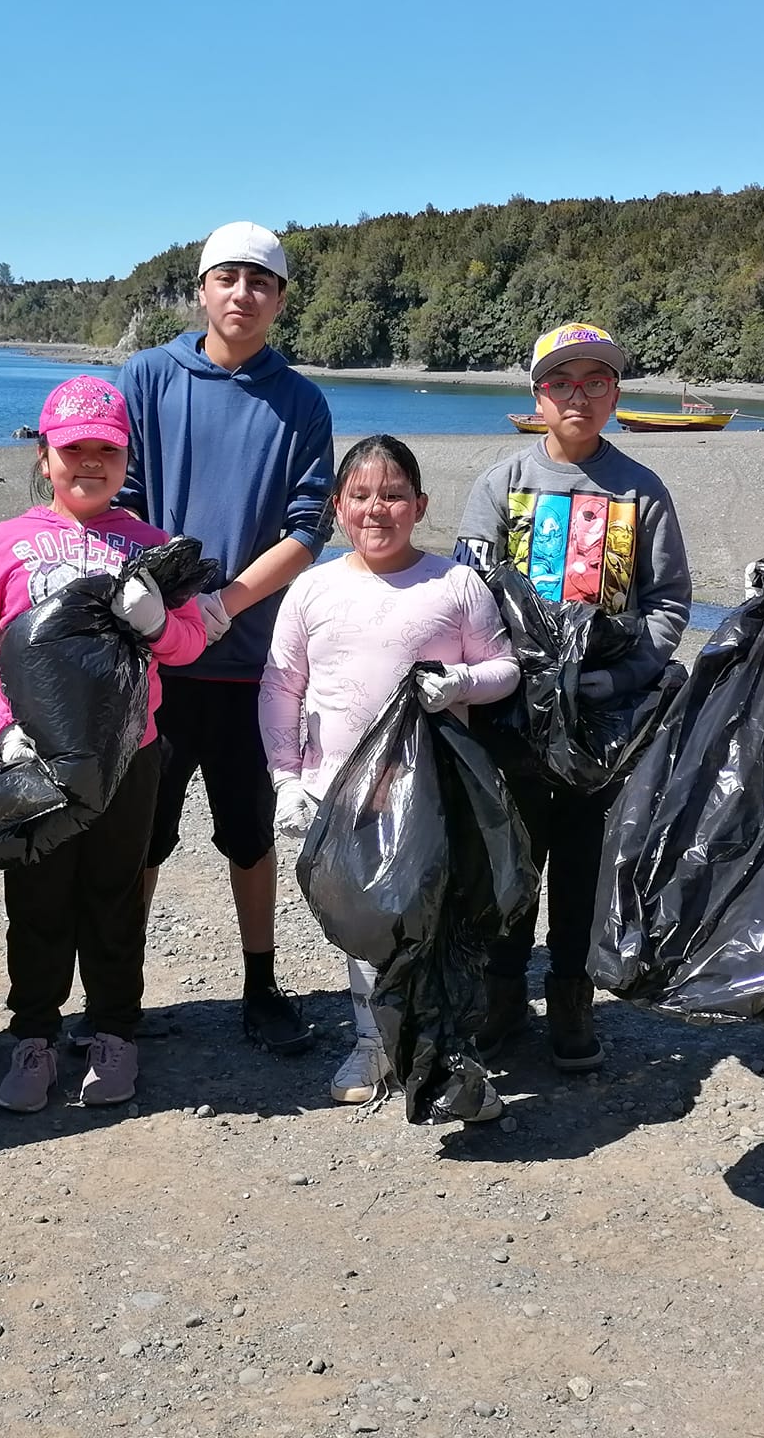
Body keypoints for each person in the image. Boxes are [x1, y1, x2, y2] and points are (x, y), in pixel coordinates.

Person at [0, 376, 207, 1112]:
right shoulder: (5, 543)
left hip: (132, 752)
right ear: (46, 454)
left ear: (126, 459)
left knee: (115, 895)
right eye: (73, 450)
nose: (88, 464)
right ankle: (33, 1036)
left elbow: (185, 647)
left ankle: (116, 1032)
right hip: (36, 759)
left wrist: (157, 621)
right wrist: (2, 728)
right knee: (38, 897)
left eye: (105, 451)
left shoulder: (150, 545)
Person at [115, 221, 335, 1055]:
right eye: (228, 278)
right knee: (143, 832)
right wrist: (163, 606)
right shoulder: (148, 378)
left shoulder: (301, 401)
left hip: (250, 664)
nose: (243, 294)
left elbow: (308, 526)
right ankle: (120, 986)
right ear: (203, 289)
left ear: (279, 300)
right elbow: (119, 495)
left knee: (248, 832)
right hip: (151, 661)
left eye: (262, 282)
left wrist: (228, 604)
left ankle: (262, 983)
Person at [455, 323, 692, 1072]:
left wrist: (615, 678)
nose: (580, 397)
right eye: (563, 383)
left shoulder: (640, 491)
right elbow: (468, 596)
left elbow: (668, 604)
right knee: (509, 857)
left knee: (587, 863)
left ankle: (570, 998)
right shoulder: (501, 486)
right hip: (513, 716)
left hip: (605, 721)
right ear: (538, 396)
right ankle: (501, 997)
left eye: (597, 382)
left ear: (616, 394)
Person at [261, 435, 521, 1117]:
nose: (378, 509)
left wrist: (460, 681)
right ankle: (371, 1041)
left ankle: (443, 1055)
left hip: (427, 792)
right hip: (335, 788)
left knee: (430, 922)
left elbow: (505, 669)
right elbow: (282, 685)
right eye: (361, 495)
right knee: (360, 920)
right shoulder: (313, 586)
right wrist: (285, 776)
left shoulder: (454, 584)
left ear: (419, 505)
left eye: (394, 494)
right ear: (339, 508)